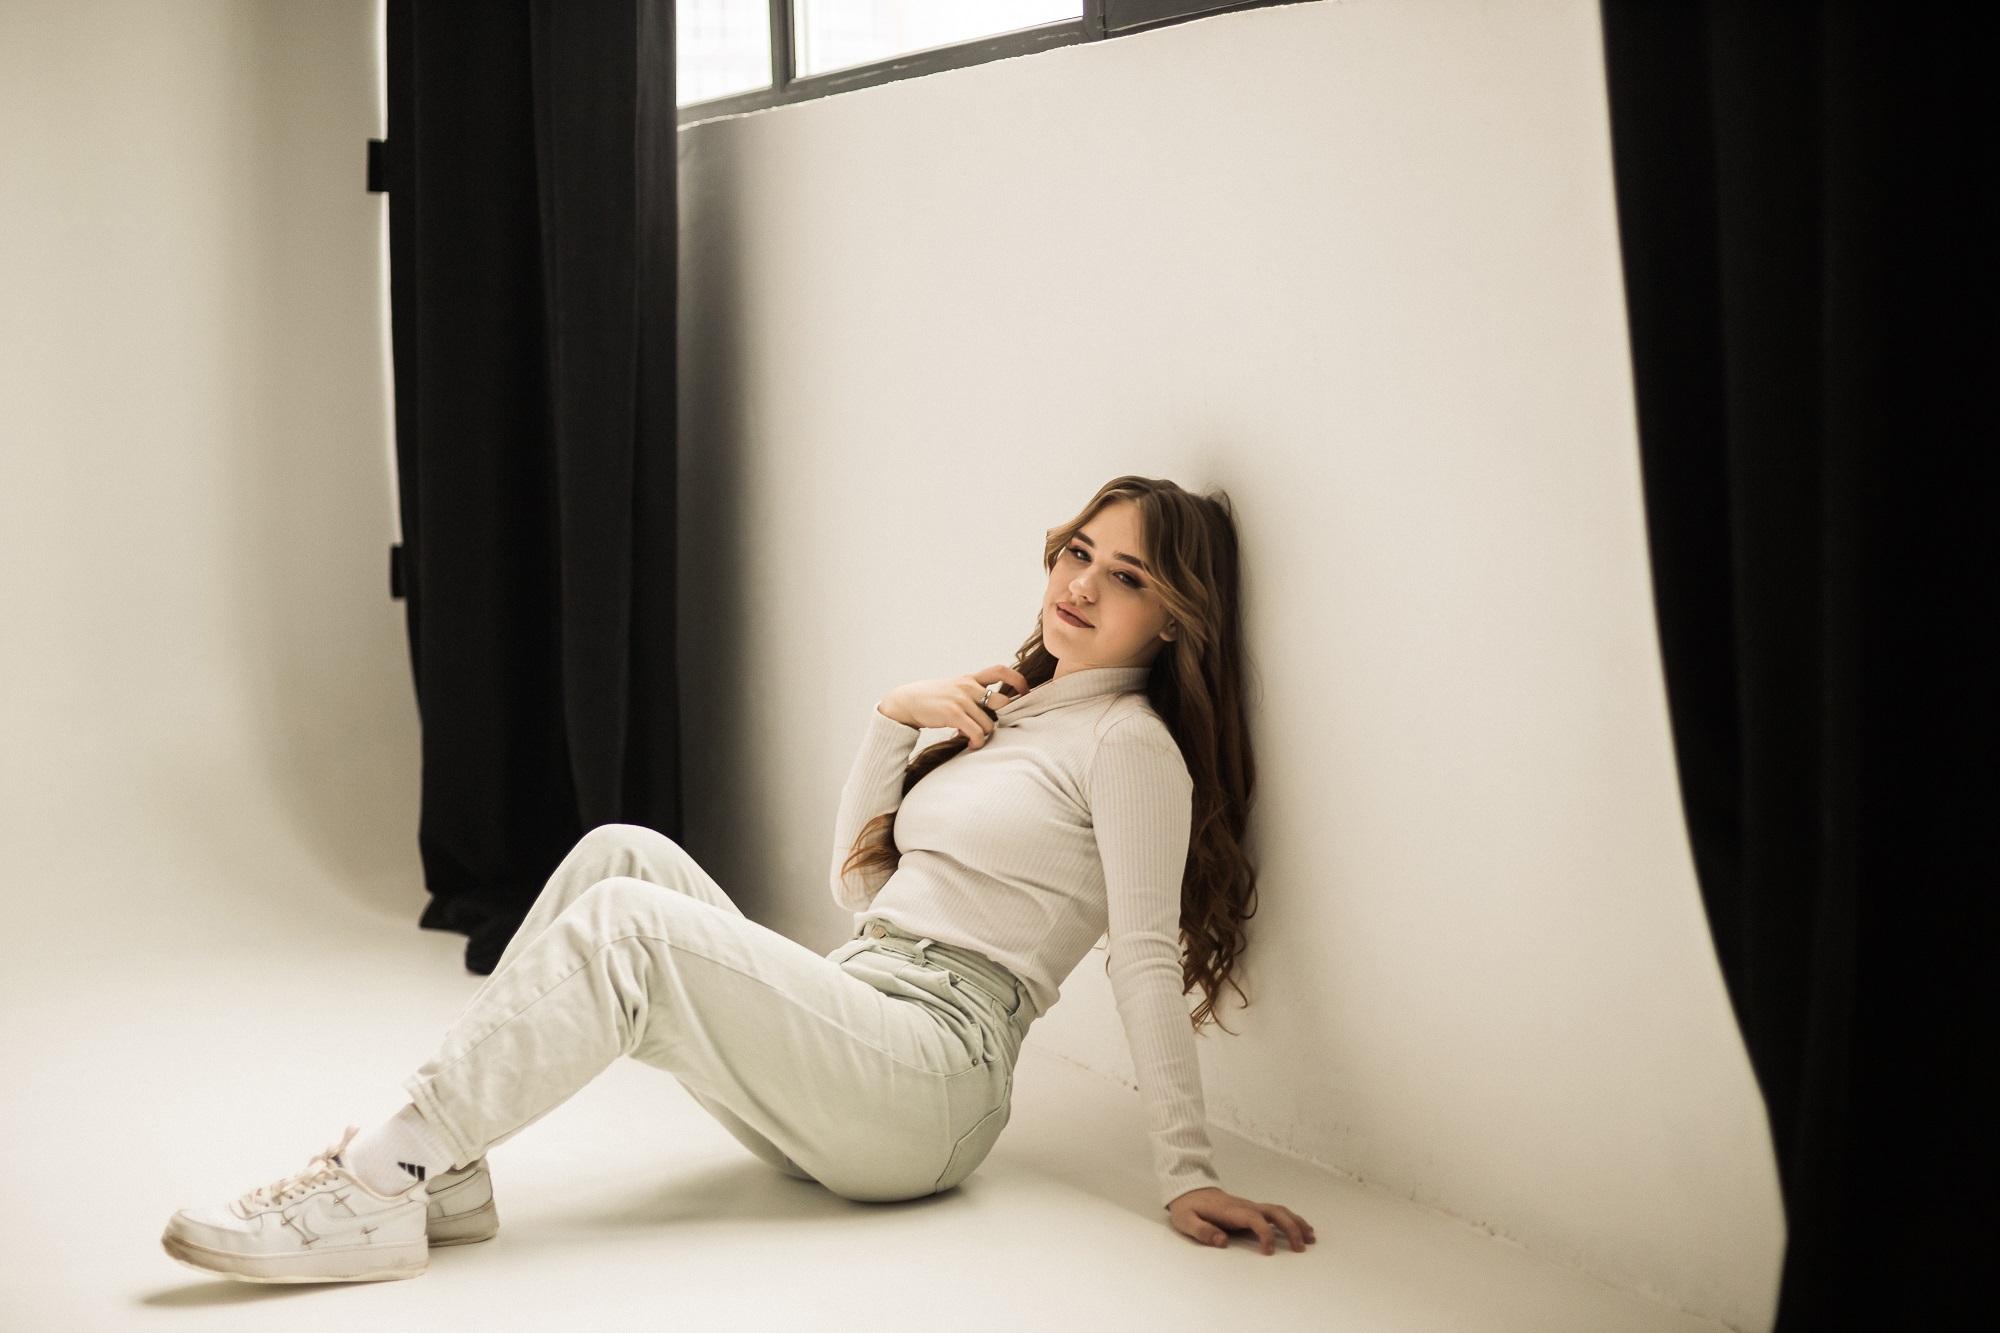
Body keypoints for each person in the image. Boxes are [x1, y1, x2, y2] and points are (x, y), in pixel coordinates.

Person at [160, 476, 1314, 1282]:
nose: (1082, 585)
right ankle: (447, 1172)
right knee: (619, 853)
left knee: (629, 921)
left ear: (1173, 620)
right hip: (862, 1016)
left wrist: (1185, 1174)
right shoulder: (1008, 714)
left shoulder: (1128, 746)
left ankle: (381, 1176)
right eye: (1077, 553)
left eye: (1126, 576)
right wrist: (891, 718)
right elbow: (857, 896)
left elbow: (1145, 955)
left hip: (930, 1084)